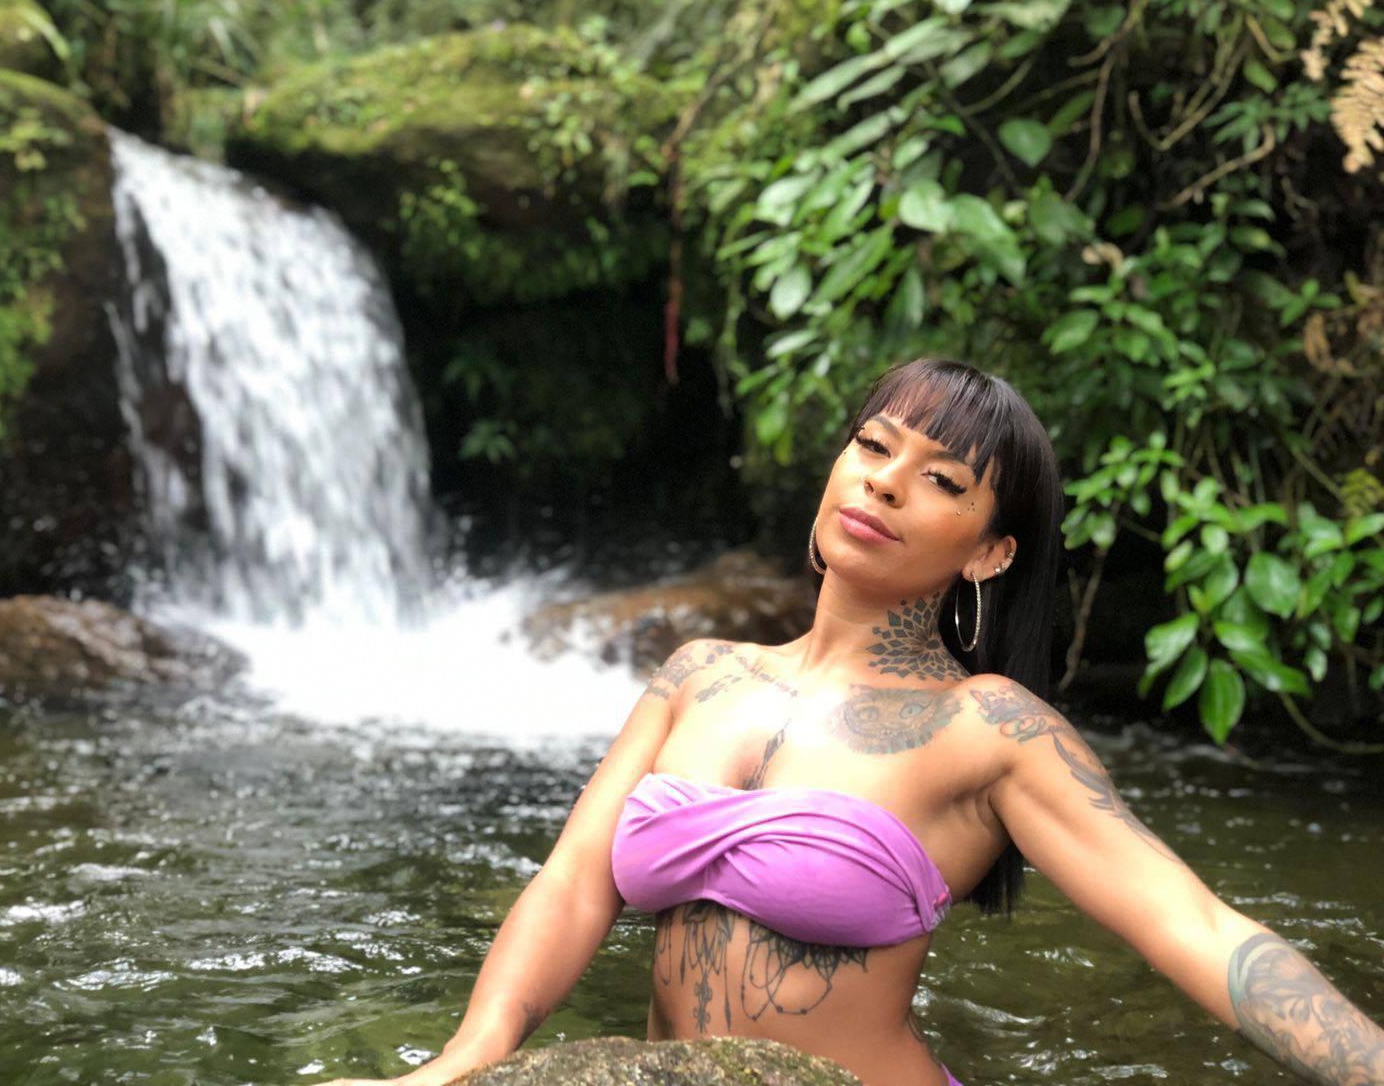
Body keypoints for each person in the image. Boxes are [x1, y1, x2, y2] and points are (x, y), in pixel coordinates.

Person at [320, 357, 1384, 1086]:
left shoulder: (990, 728)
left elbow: (1195, 926)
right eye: (873, 446)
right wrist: (470, 1054)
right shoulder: (699, 674)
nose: (884, 484)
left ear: (990, 552)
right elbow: (570, 887)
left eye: (940, 479)